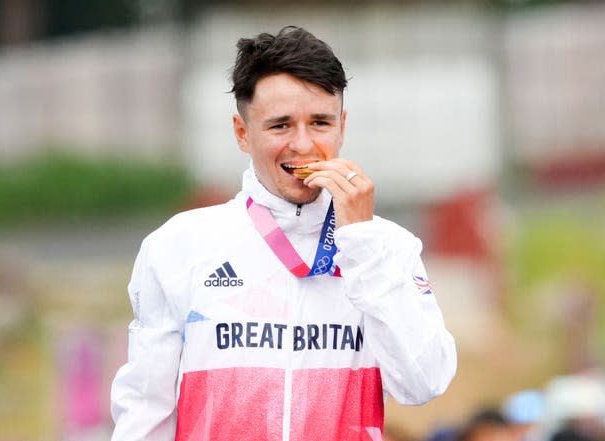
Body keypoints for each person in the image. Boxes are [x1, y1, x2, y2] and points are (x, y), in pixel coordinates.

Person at [110, 26, 457, 441]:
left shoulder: (387, 247)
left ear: (342, 126)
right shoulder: (179, 245)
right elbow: (146, 410)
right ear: (243, 133)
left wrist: (362, 244)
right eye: (280, 126)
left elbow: (423, 383)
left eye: (320, 122)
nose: (304, 144)